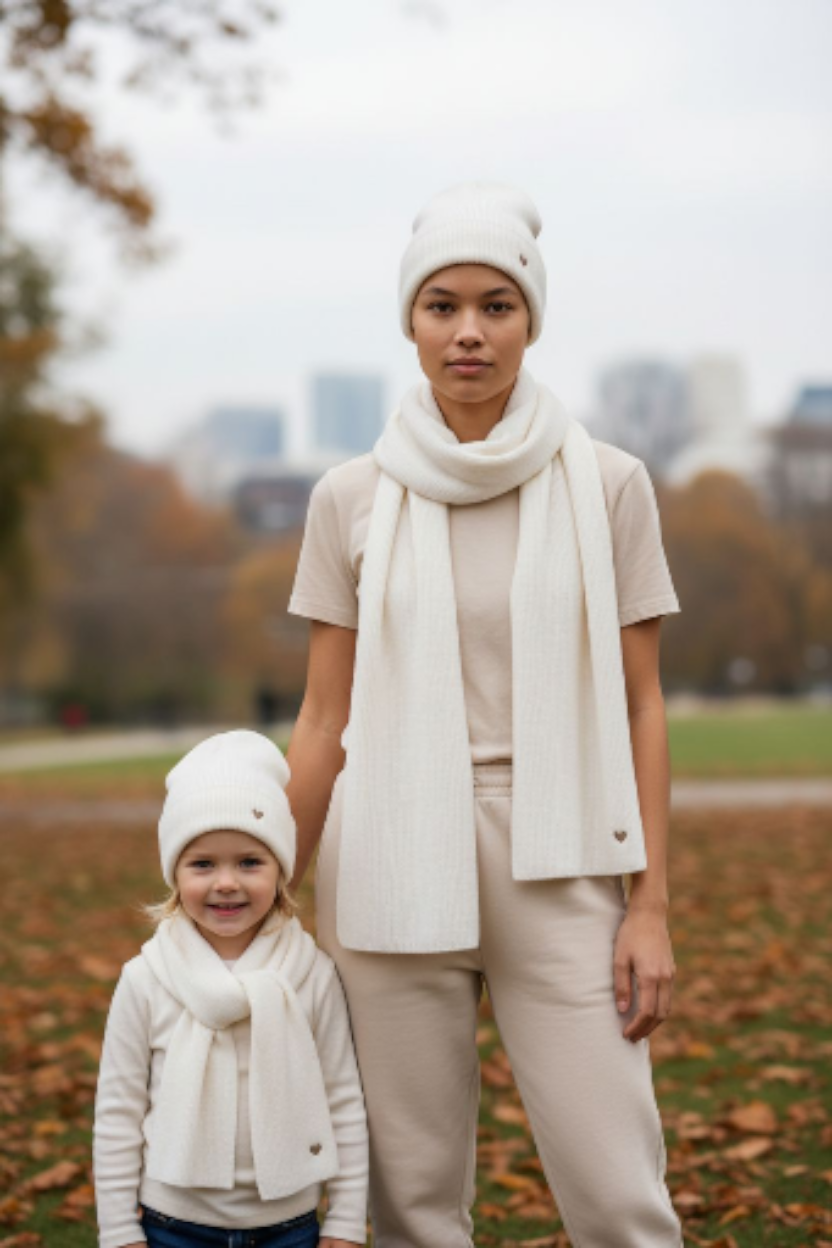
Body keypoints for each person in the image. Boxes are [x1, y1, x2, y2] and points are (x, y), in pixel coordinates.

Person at [285, 182, 684, 1246]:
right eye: (442, 305)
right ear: (410, 321)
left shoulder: (608, 484)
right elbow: (324, 719)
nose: (468, 331)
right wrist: (275, 880)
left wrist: (647, 905)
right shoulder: (348, 497)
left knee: (618, 1191)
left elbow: (643, 703)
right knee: (408, 1198)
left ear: (531, 319)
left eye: (497, 306)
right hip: (386, 843)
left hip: (558, 852)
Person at [93, 730, 369, 1248]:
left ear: (282, 870)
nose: (226, 882)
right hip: (173, 1226)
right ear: (174, 872)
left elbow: (343, 1100)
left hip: (289, 1227)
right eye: (202, 864)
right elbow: (119, 1110)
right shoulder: (148, 978)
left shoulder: (310, 973)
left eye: (249, 862)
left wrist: (347, 1221)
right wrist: (118, 1229)